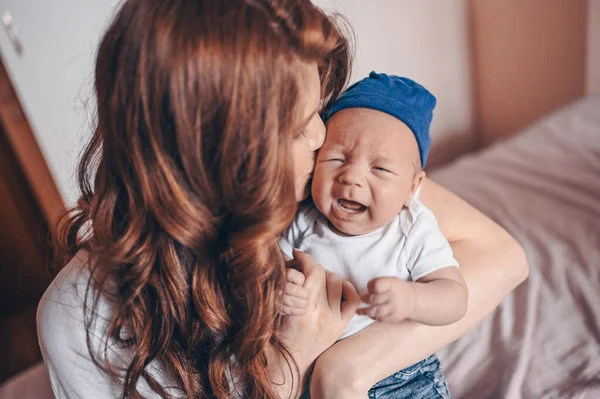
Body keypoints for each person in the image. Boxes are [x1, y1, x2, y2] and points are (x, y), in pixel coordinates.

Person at [36, 1, 529, 398]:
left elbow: (502, 256)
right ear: (213, 162)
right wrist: (290, 368)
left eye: (319, 111)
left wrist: (347, 366)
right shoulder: (81, 320)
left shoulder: (324, 184)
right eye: (298, 128)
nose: (322, 139)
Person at [280, 72, 466, 398]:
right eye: (336, 158)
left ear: (413, 187)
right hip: (310, 373)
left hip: (402, 377)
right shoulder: (304, 219)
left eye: (379, 169)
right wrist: (281, 288)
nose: (351, 177)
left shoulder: (412, 229)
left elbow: (455, 297)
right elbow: (270, 268)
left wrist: (412, 300)